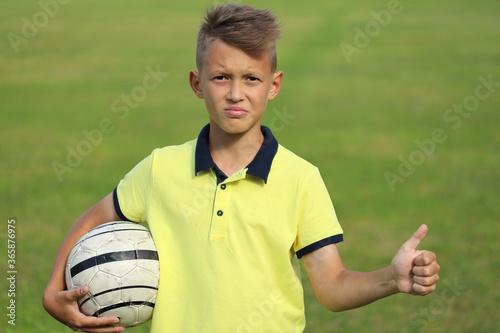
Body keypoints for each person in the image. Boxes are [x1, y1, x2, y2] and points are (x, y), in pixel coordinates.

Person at [43, 3, 440, 332]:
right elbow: (96, 216)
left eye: (251, 78)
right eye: (220, 78)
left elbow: (332, 287)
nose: (236, 93)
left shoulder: (300, 179)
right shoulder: (159, 168)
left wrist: (393, 278)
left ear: (274, 85)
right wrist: (51, 291)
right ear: (197, 84)